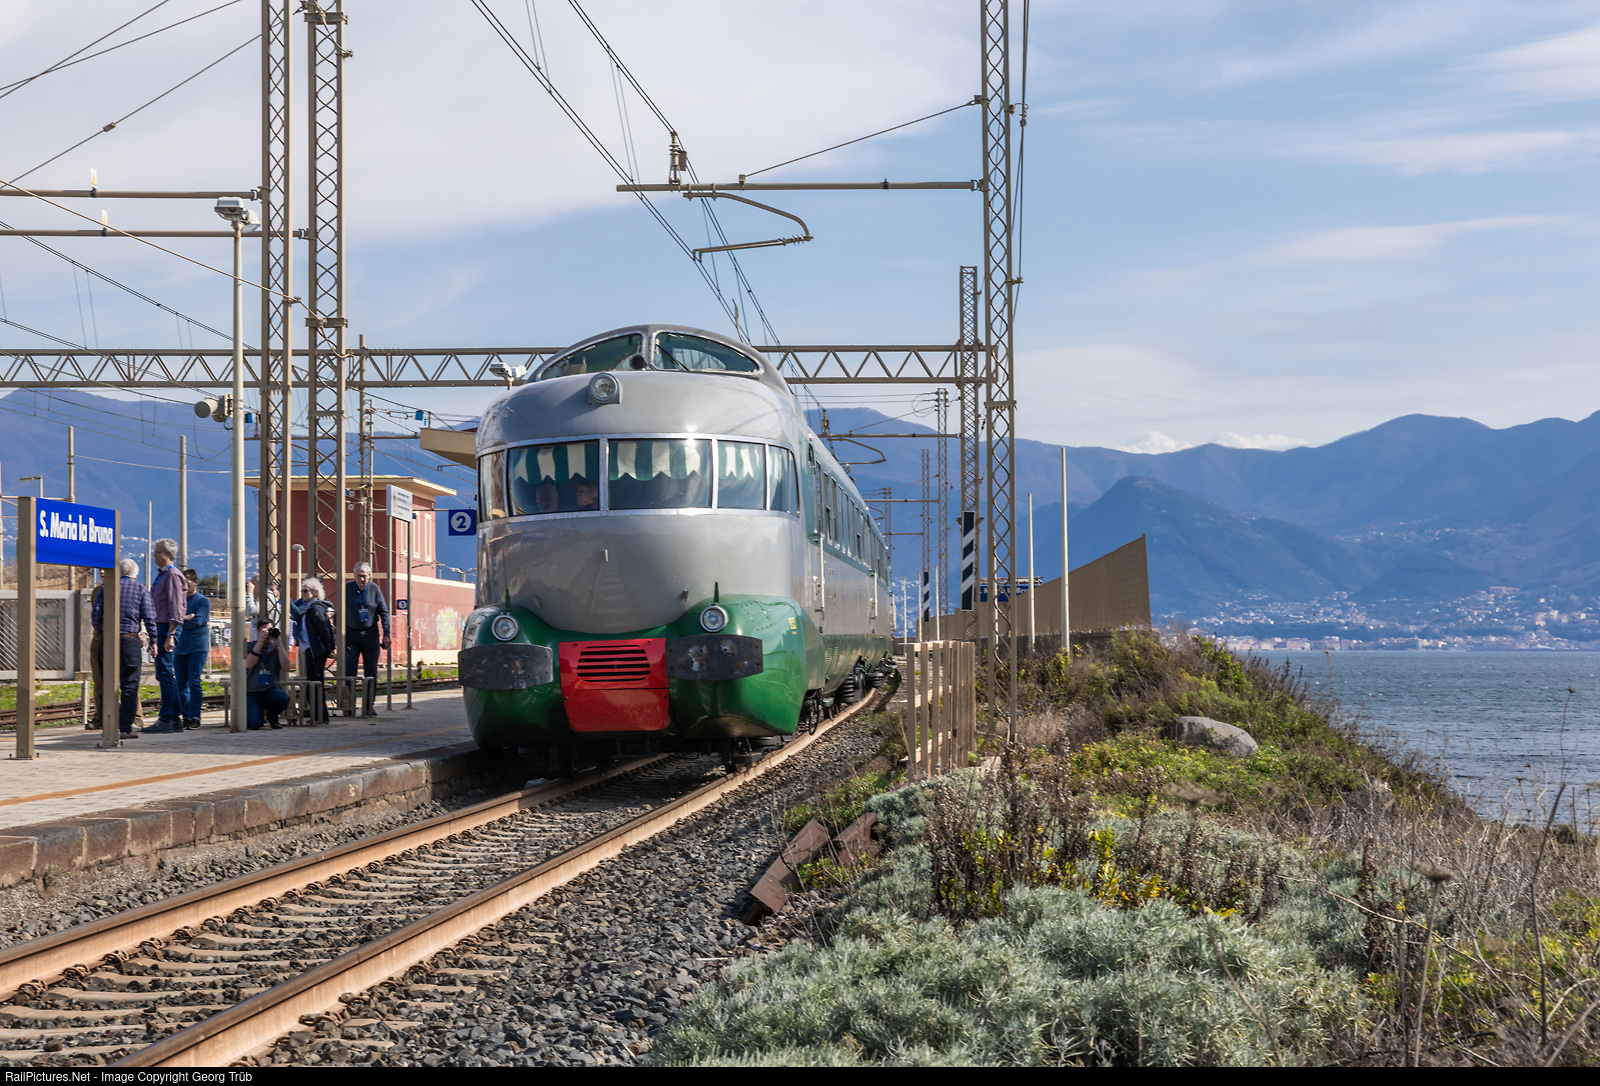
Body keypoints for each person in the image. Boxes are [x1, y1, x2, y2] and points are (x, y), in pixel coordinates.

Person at [90, 558, 156, 739]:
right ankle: (125, 728)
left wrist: (102, 633)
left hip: (107, 641)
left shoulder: (105, 589)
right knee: (130, 685)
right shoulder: (141, 589)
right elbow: (150, 617)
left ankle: (108, 726)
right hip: (130, 641)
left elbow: (95, 615)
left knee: (107, 683)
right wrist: (154, 641)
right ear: (135, 574)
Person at [144, 539, 186, 733]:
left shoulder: (172, 575)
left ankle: (166, 718)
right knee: (164, 673)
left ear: (168, 555)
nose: (154, 555)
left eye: (157, 552)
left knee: (166, 673)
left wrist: (171, 634)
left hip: (166, 628)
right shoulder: (163, 575)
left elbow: (176, 606)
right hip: (161, 627)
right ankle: (175, 718)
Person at [344, 561, 390, 718]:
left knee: (371, 672)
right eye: (359, 576)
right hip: (351, 635)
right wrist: (336, 633)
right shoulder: (347, 589)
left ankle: (369, 705)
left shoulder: (374, 589)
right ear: (354, 575)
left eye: (364, 576)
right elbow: (339, 611)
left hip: (370, 635)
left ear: (369, 576)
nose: (361, 579)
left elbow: (384, 612)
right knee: (349, 670)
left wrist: (387, 634)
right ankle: (349, 705)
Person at [175, 569, 210, 731]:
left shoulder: (203, 601)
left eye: (187, 582)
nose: (184, 586)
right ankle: (186, 715)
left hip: (197, 647)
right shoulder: (178, 600)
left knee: (194, 681)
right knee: (180, 684)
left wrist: (179, 620)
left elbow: (198, 622)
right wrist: (186, 617)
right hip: (180, 647)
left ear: (195, 582)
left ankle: (195, 716)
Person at [301, 577, 334, 723]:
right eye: (302, 591)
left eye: (305, 591)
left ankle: (319, 716)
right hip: (311, 649)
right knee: (314, 683)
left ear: (315, 592)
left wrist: (328, 647)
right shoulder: (309, 607)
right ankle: (320, 716)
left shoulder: (315, 608)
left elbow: (324, 629)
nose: (303, 593)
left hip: (315, 650)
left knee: (314, 684)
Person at [243, 625, 288, 730]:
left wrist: (280, 645)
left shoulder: (275, 648)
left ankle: (272, 717)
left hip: (270, 688)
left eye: (270, 630)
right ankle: (257, 714)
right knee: (254, 724)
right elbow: (249, 665)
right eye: (265, 631)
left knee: (282, 698)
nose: (268, 634)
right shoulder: (250, 646)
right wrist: (260, 642)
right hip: (252, 691)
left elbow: (286, 667)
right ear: (258, 631)